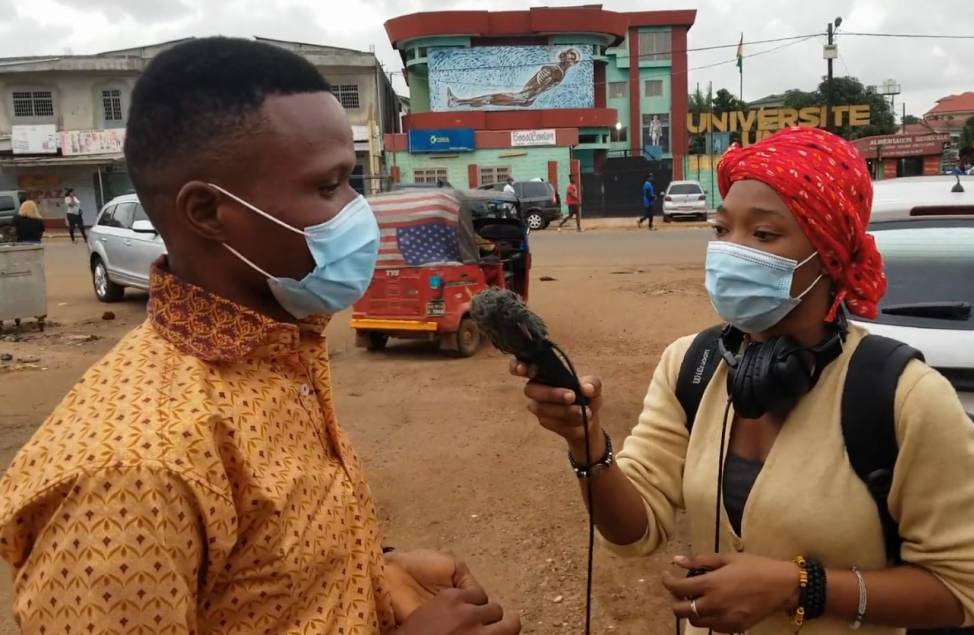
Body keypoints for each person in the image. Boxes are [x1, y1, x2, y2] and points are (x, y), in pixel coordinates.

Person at [0, 38, 520, 635]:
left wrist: (374, 569)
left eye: (351, 180)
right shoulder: (131, 471)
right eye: (328, 187)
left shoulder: (278, 350)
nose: (360, 209)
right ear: (207, 212)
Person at [511, 128, 974, 634]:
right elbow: (633, 532)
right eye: (721, 229)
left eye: (764, 235)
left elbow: (968, 590)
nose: (732, 251)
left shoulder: (904, 395)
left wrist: (799, 587)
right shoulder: (692, 365)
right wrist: (586, 442)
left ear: (828, 254)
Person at [447, 48, 580, 109]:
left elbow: (542, 87)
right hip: (525, 96)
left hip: (524, 96)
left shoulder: (557, 72)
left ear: (573, 62)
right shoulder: (557, 69)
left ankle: (457, 102)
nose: (569, 58)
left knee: (490, 99)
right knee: (489, 101)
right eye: (569, 55)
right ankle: (459, 102)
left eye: (572, 58)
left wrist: (527, 96)